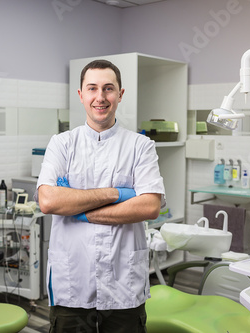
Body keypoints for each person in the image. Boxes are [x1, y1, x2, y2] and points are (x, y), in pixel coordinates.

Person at [36, 59, 165, 333]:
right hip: (72, 282)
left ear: (120, 94)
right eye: (92, 88)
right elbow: (48, 201)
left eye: (108, 88)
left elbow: (150, 206)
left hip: (124, 283)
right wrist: (119, 194)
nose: (100, 97)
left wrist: (76, 208)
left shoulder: (141, 146)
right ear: (81, 95)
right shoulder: (62, 144)